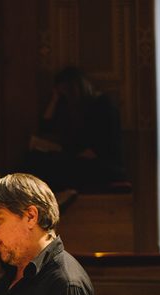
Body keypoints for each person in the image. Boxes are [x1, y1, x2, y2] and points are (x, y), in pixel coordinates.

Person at [22, 66, 126, 200]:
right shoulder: (78, 109)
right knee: (33, 158)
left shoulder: (103, 105)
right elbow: (45, 127)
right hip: (85, 160)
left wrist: (68, 153)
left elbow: (99, 149)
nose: (65, 98)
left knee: (45, 165)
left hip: (105, 166)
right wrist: (54, 99)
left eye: (66, 93)